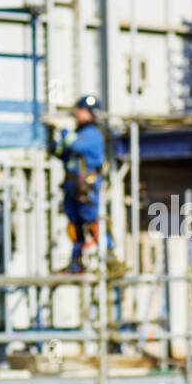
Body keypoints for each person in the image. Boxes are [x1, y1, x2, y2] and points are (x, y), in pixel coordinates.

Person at [52, 94, 122, 276]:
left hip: (85, 186)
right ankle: (76, 261)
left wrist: (64, 133)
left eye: (79, 110)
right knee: (75, 223)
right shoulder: (81, 133)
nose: (76, 114)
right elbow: (63, 153)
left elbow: (75, 146)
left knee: (90, 219)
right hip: (72, 184)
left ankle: (109, 255)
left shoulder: (92, 134)